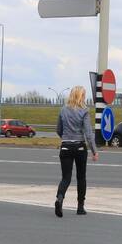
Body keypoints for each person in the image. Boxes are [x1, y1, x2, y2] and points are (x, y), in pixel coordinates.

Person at [54, 85, 98, 218]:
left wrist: (66, 139)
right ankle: (80, 207)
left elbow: (58, 129)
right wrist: (94, 151)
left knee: (66, 177)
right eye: (84, 95)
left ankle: (60, 198)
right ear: (80, 96)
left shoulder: (63, 110)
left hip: (65, 146)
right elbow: (89, 134)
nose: (85, 97)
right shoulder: (84, 111)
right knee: (81, 177)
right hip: (79, 147)